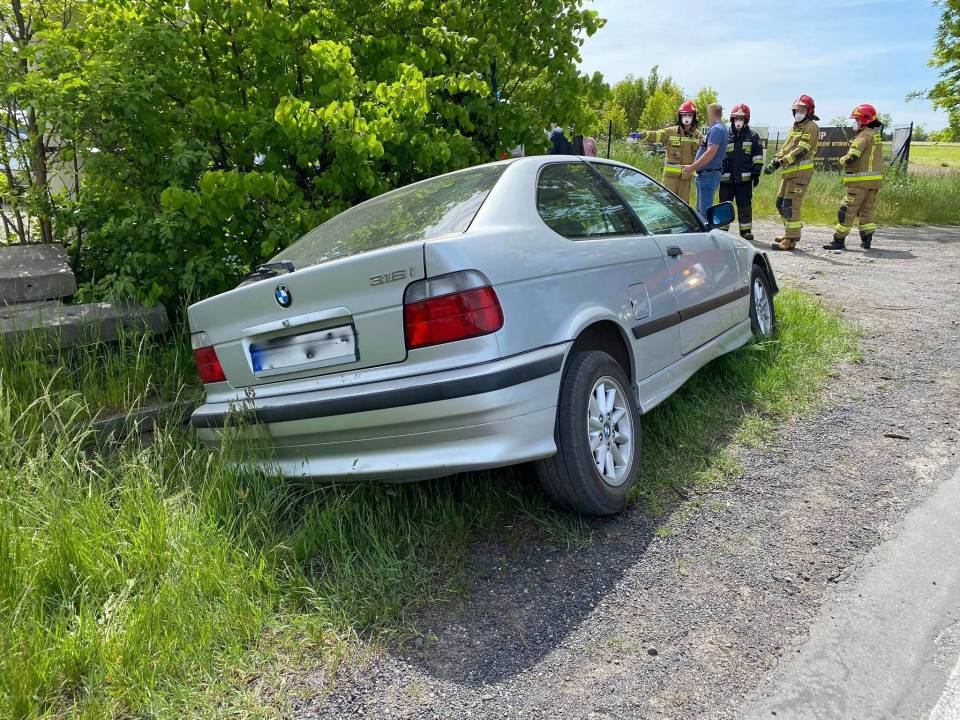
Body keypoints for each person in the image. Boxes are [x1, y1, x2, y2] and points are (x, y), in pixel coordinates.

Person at [822, 104, 884, 251]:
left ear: (865, 120)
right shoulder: (875, 135)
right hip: (873, 183)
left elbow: (852, 158)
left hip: (859, 183)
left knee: (846, 211)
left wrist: (842, 160)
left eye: (857, 119)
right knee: (866, 211)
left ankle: (839, 240)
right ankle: (866, 240)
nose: (854, 122)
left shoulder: (863, 136)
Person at [763, 95, 820, 251]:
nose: (798, 113)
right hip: (789, 173)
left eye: (802, 110)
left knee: (790, 205)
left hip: (800, 173)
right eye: (796, 110)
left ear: (809, 111)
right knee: (780, 203)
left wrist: (781, 161)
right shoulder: (795, 127)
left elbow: (801, 150)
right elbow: (787, 146)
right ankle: (790, 231)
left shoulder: (811, 127)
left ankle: (791, 239)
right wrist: (776, 157)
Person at [636, 100, 701, 203]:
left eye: (689, 115)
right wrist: (642, 135)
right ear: (680, 116)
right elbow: (656, 134)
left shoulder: (698, 136)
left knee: (683, 206)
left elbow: (704, 153)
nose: (687, 117)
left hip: (686, 179)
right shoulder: (671, 132)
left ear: (694, 117)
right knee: (667, 204)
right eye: (684, 115)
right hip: (670, 178)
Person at [718, 104, 763, 240]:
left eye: (741, 118)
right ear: (732, 119)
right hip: (726, 178)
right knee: (724, 205)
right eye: (736, 118)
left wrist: (756, 173)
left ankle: (745, 231)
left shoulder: (753, 136)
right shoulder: (725, 135)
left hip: (744, 179)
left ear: (746, 120)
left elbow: (757, 156)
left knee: (744, 205)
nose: (738, 121)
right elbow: (717, 154)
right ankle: (721, 230)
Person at [684, 102, 728, 217]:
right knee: (700, 212)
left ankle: (705, 229)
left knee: (704, 214)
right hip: (707, 175)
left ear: (710, 113)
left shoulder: (716, 129)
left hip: (708, 176)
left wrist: (692, 167)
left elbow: (710, 152)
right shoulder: (719, 128)